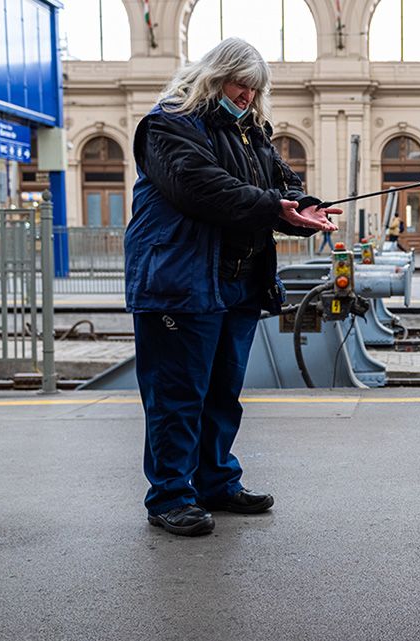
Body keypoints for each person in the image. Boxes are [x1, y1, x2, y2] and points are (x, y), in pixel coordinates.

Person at [125, 38, 340, 537]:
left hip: (236, 282)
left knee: (222, 392)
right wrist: (274, 207)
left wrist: (303, 207)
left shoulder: (251, 133)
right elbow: (200, 186)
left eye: (254, 88)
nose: (246, 95)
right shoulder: (167, 124)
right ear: (214, 76)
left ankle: (215, 481)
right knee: (177, 397)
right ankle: (171, 496)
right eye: (240, 84)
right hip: (180, 282)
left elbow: (280, 186)